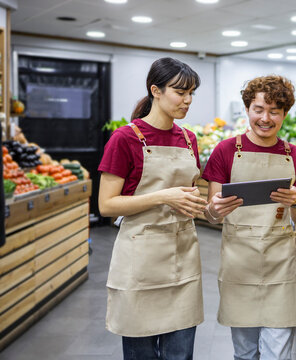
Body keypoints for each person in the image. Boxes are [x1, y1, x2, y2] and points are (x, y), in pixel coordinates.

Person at [98, 57, 207, 360]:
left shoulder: (188, 139)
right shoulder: (125, 138)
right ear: (155, 91)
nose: (187, 100)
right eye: (179, 92)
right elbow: (106, 205)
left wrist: (212, 207)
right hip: (140, 261)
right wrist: (164, 196)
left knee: (180, 354)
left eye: (191, 93)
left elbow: (189, 196)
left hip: (183, 257)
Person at [202, 75, 296, 359]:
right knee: (245, 353)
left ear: (284, 114)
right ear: (247, 109)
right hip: (239, 263)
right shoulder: (226, 151)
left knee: (278, 354)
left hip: (281, 265)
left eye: (274, 111)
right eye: (258, 109)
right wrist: (215, 208)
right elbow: (211, 214)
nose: (265, 118)